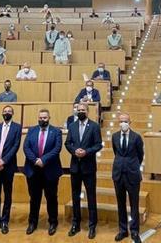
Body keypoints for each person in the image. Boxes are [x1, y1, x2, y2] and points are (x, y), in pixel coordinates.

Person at [65, 103, 103, 239]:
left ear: (88, 112)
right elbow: (67, 143)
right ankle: (76, 224)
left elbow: (98, 144)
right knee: (75, 197)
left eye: (83, 110)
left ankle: (92, 225)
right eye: (78, 110)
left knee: (91, 196)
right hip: (75, 167)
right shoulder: (72, 126)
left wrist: (86, 152)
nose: (80, 111)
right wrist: (74, 151)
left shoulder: (94, 126)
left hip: (88, 167)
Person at [23, 108, 62, 236]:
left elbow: (57, 148)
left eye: (44, 118)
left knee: (51, 198)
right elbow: (26, 147)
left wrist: (43, 160)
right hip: (33, 170)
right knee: (34, 198)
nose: (42, 120)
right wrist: (35, 160)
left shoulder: (56, 131)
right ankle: (32, 222)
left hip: (50, 170)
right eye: (40, 117)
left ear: (49, 118)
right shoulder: (32, 130)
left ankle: (53, 222)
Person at [0, 105, 22, 234]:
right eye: (5, 111)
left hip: (8, 166)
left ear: (12, 114)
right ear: (2, 113)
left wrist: (4, 160)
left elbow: (15, 146)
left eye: (9, 111)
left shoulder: (17, 127)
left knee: (7, 195)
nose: (7, 113)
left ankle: (5, 221)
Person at [112, 112, 144, 243]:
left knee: (134, 204)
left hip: (132, 174)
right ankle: (123, 230)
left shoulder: (136, 137)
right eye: (121, 121)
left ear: (130, 122)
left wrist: (132, 166)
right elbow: (116, 152)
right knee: (120, 204)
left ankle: (135, 231)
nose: (123, 123)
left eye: (125, 121)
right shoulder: (114, 136)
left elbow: (140, 155)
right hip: (118, 174)